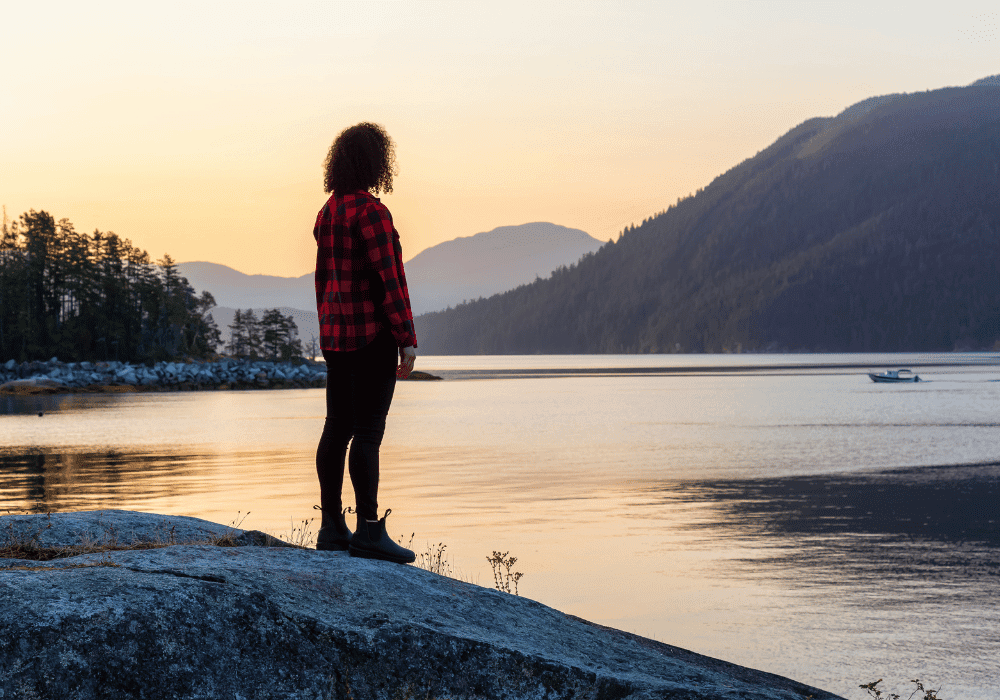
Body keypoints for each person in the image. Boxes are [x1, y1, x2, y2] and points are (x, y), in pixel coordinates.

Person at [313, 122, 417, 564]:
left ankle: (332, 525)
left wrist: (327, 329)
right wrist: (406, 339)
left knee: (337, 428)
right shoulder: (372, 213)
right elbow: (389, 281)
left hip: (335, 339)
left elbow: (325, 281)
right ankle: (369, 531)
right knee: (368, 434)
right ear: (376, 163)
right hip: (371, 338)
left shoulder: (328, 212)